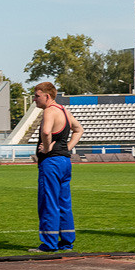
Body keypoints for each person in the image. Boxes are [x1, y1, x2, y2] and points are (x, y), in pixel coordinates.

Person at [29, 82, 83, 253]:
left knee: (49, 202)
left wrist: (45, 147)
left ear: (47, 96)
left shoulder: (49, 111)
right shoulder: (64, 111)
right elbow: (79, 130)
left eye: (37, 96)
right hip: (65, 162)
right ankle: (67, 242)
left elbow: (46, 132)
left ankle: (49, 244)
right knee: (64, 202)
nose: (34, 99)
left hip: (51, 163)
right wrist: (67, 147)